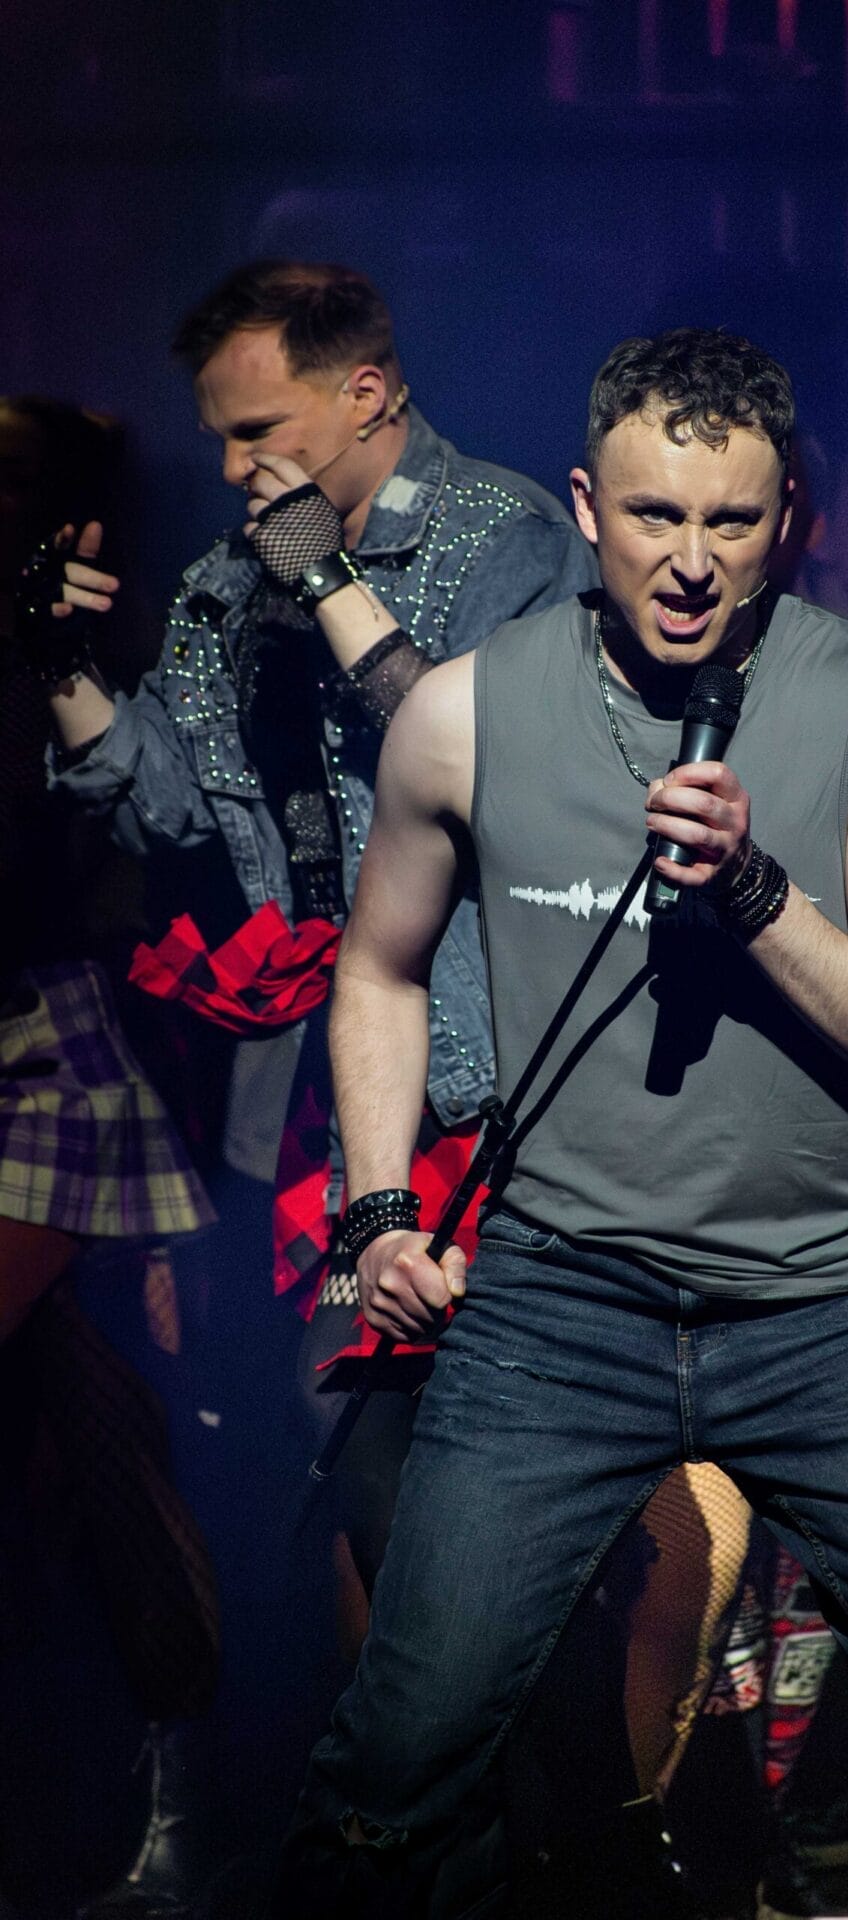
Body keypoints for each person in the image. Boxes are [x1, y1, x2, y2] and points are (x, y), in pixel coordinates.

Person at [276, 326, 848, 1920]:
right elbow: (376, 970)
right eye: (653, 516)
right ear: (584, 504)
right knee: (399, 1758)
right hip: (561, 1309)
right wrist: (375, 1216)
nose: (690, 563)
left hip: (831, 1308)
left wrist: (759, 896)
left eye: (731, 522)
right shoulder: (468, 715)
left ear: (790, 523)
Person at [27, 260, 597, 1595]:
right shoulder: (229, 586)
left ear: (367, 392)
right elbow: (159, 804)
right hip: (333, 1089)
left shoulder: (501, 535)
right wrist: (58, 668)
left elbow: (493, 772)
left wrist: (332, 584)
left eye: (257, 431)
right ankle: (412, 1783)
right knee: (342, 1445)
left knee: (511, 1465)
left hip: (510, 1073)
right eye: (215, 434)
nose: (230, 467)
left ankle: (562, 1788)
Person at [1, 395, 219, 1920]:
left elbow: (134, 869)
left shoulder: (100, 662)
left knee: (107, 1433)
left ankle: (181, 1768)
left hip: (53, 1056)